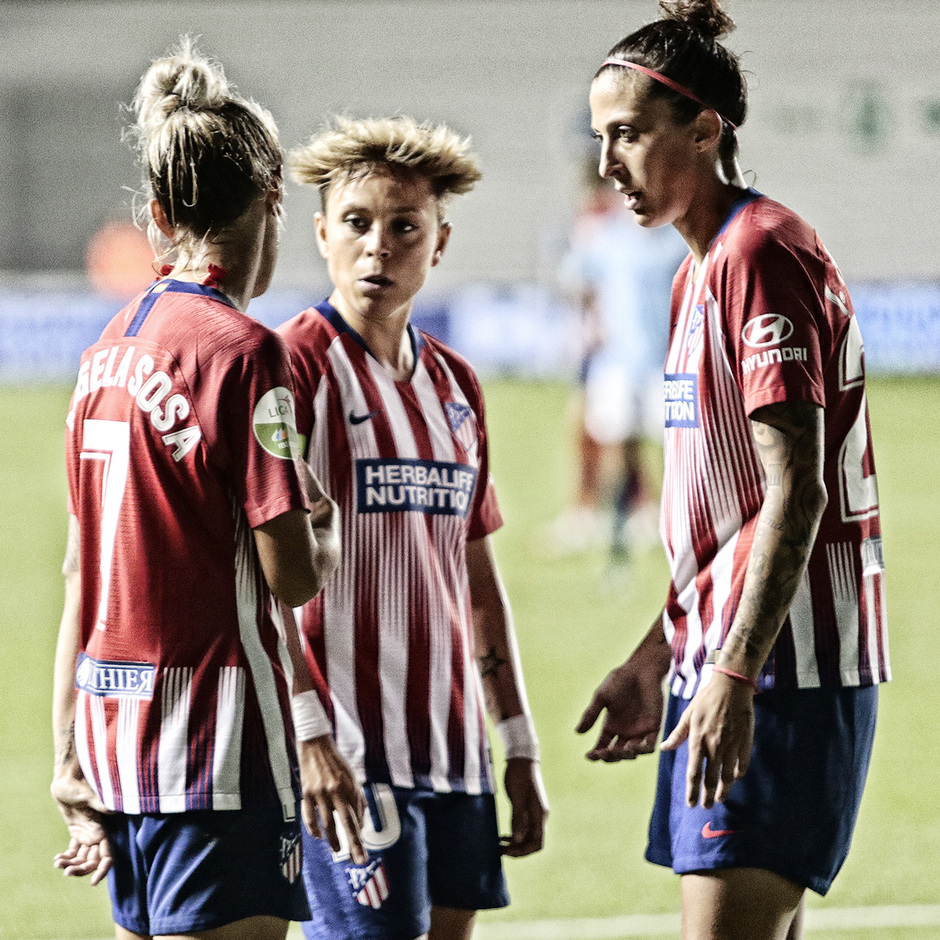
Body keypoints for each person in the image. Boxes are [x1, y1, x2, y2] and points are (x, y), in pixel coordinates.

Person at [575, 2, 890, 938]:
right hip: (730, 661)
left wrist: (734, 673)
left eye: (628, 134)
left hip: (783, 670)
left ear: (706, 130)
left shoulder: (757, 253)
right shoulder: (699, 271)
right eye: (602, 138)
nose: (608, 165)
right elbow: (728, 515)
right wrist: (658, 650)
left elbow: (798, 488)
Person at [50, 40, 366, 940]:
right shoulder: (245, 352)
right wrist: (325, 527)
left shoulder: (103, 352)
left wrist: (67, 750)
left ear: (157, 212)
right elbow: (294, 578)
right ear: (273, 200)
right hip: (216, 750)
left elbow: (82, 571)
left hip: (114, 743)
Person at [278, 115, 549, 940]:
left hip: (456, 750)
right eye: (357, 224)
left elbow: (476, 576)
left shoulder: (457, 385)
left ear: (440, 243)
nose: (378, 249)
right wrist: (311, 736)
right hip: (353, 755)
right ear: (322, 233)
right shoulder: (293, 367)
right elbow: (253, 571)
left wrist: (518, 743)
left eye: (405, 228)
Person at [548, 163, 687, 563]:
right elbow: (576, 279)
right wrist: (591, 324)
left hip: (667, 361)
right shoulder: (606, 238)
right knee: (616, 442)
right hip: (617, 362)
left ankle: (672, 517)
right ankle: (619, 519)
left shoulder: (673, 241)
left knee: (675, 446)